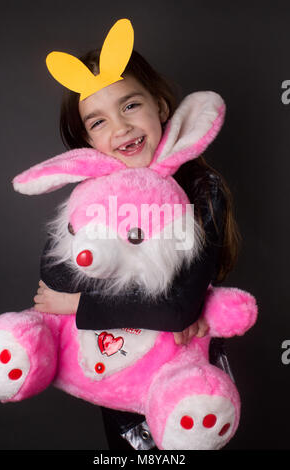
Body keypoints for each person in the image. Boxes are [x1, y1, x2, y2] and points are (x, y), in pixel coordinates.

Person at [33, 49, 240, 450]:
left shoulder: (200, 191)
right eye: (99, 121)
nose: (122, 127)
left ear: (160, 105)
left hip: (182, 375)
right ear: (88, 142)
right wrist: (155, 306)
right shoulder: (92, 196)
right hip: (119, 379)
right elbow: (54, 276)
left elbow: (180, 309)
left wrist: (79, 304)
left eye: (130, 104)